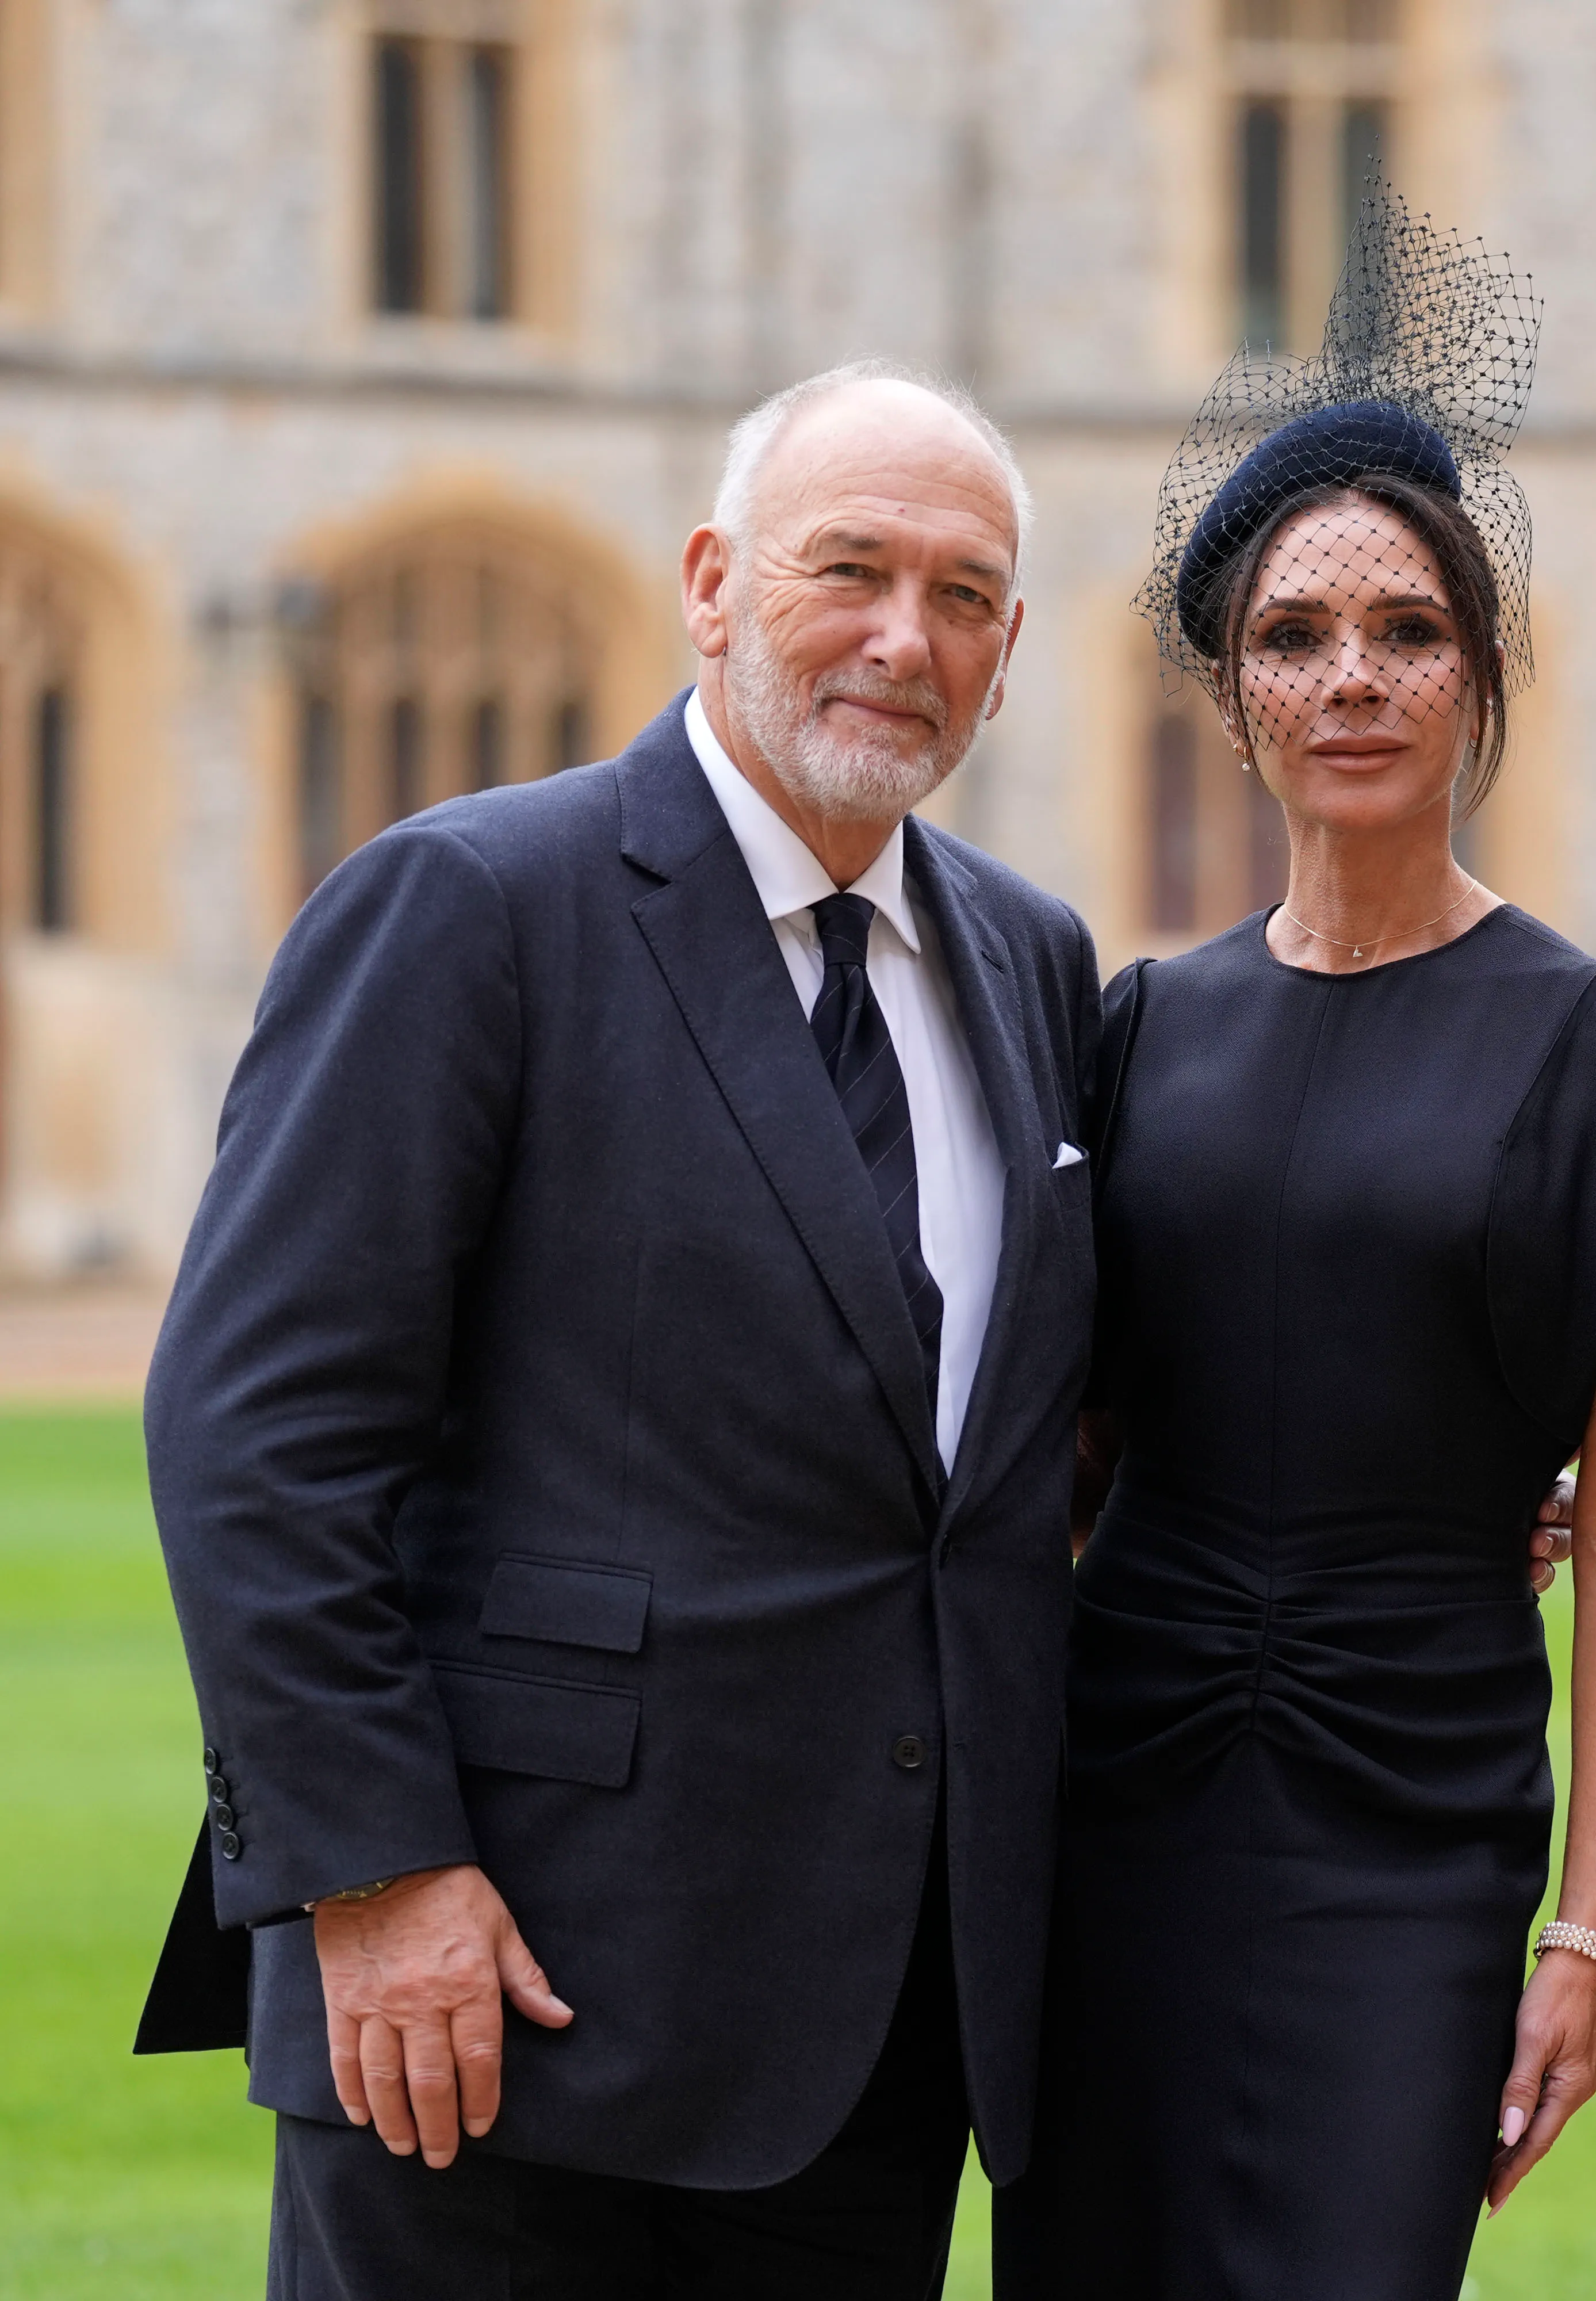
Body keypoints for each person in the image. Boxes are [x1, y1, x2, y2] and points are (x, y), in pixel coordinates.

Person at [136, 364, 1105, 2294]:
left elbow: (1021, 1443)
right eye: (852, 569)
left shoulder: (1030, 959)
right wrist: (375, 1869)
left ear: (1008, 653)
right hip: (496, 2009)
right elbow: (254, 1432)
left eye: (969, 595)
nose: (905, 639)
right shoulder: (470, 903)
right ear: (711, 582)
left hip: (881, 2035)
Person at [994, 196, 1596, 2300]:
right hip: (1119, 1799)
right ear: (1232, 691)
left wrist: (1585, 1931)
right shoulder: (1139, 1026)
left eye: (1408, 628)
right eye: (1298, 636)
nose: (1354, 675)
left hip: (1421, 1812)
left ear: (1481, 674)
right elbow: (1074, 1443)